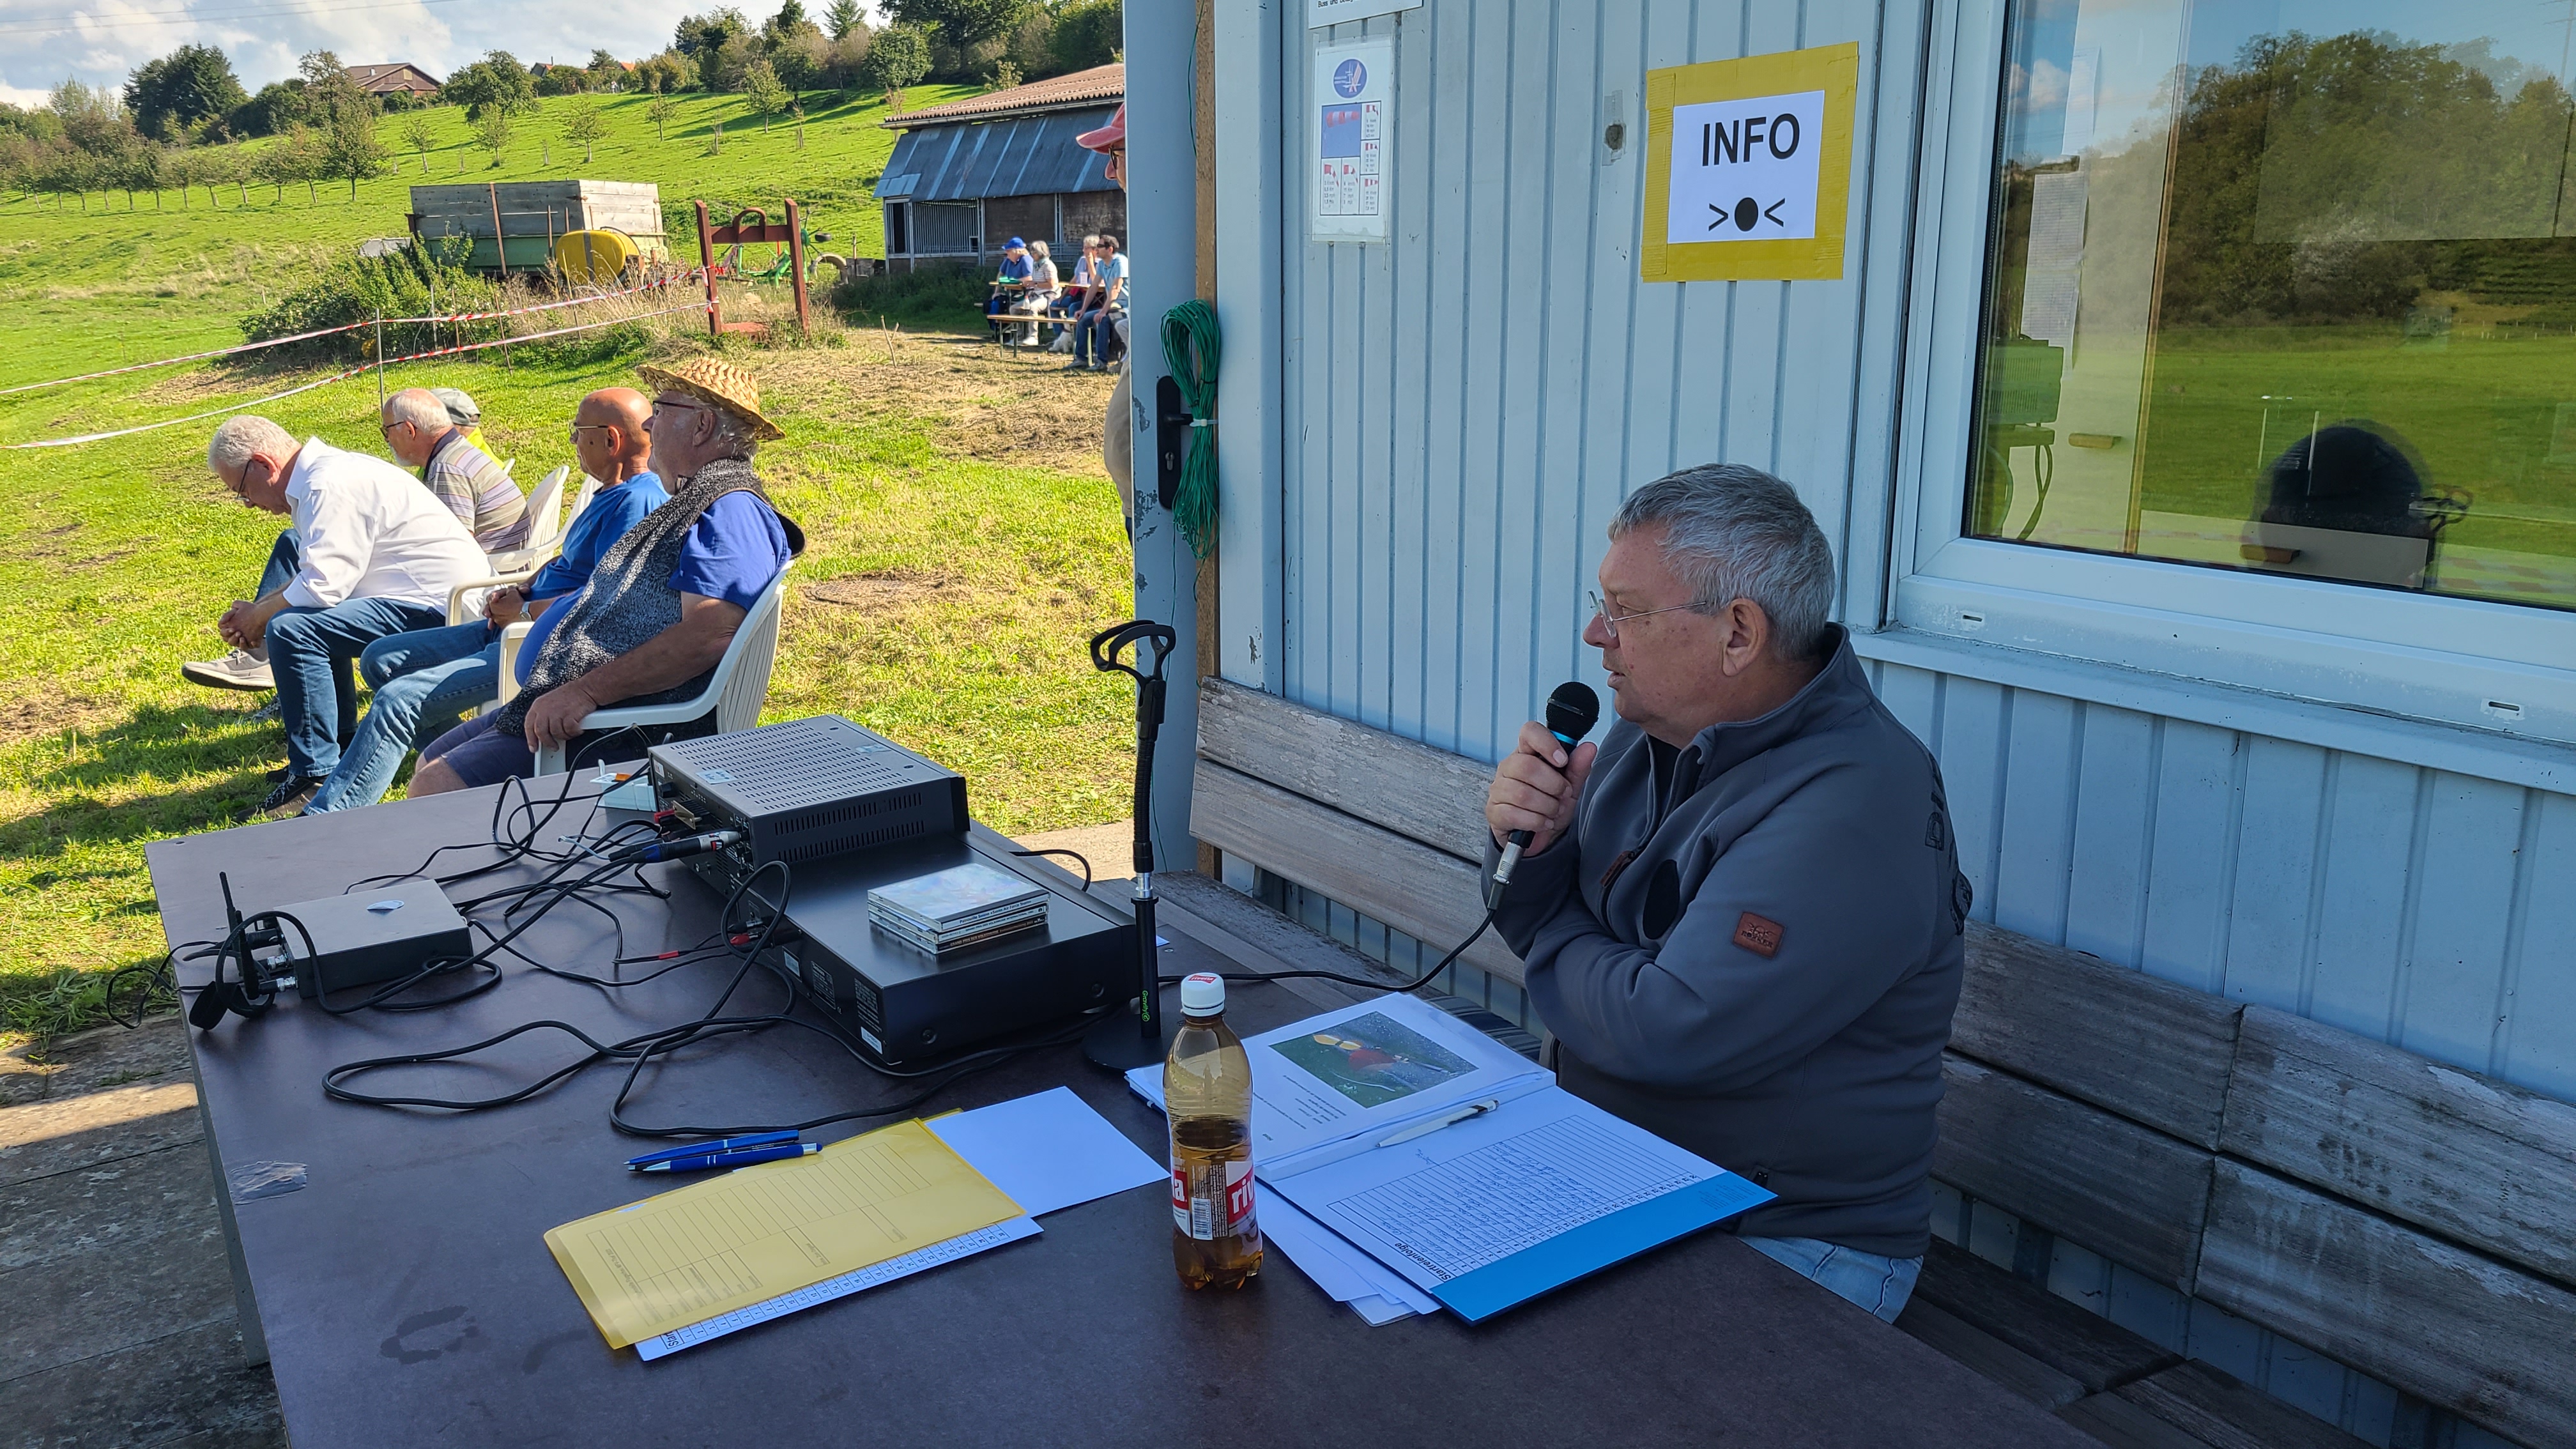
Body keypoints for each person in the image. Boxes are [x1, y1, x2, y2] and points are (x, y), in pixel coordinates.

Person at [1481, 464, 1968, 1324]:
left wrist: (1554, 928)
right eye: (1601, 605)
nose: (1597, 635)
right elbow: (1536, 919)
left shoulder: (1855, 801)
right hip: (1621, 1169)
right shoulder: (1648, 730)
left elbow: (1670, 1029)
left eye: (1626, 611)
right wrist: (1530, 844)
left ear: (1738, 633)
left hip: (1781, 1233)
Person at [408, 358, 804, 794]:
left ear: (702, 426)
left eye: (662, 409)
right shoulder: (704, 499)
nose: (649, 423)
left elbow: (710, 633)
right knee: (431, 761)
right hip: (590, 707)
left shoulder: (732, 508)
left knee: (436, 785)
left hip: (628, 725)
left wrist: (585, 693)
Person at [303, 388, 670, 813]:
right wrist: (525, 587)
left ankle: (326, 817)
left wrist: (525, 611)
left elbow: (602, 602)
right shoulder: (611, 492)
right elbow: (573, 562)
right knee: (380, 659)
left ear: (610, 439)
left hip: (535, 642)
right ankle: (456, 767)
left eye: (577, 432)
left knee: (396, 700)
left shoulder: (636, 502)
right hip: (513, 622)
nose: (573, 441)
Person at [199, 415, 489, 816]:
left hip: (445, 609)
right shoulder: (323, 476)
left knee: (293, 630)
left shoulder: (326, 484)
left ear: (264, 465)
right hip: (432, 599)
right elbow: (318, 574)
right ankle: (338, 744)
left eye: (242, 490)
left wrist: (260, 618)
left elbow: (322, 587)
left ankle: (315, 773)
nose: (247, 503)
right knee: (300, 621)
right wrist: (256, 612)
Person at [380, 387, 530, 554]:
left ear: (410, 430)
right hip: (505, 558)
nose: (387, 439)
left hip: (492, 567)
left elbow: (455, 550)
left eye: (387, 431)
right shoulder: (458, 449)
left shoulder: (447, 469)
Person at [1068, 231, 1128, 373]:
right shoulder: (1102, 264)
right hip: (1112, 306)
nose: (1096, 249)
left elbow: (1115, 289)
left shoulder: (1120, 262)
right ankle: (1081, 359)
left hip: (1126, 307)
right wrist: (1083, 310)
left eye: (1099, 247)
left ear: (1110, 249)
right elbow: (1094, 287)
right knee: (1083, 319)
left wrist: (1102, 312)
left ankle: (1101, 362)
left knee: (1102, 320)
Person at [1009, 240, 1061, 347]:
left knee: (1033, 308)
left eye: (1035, 252)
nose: (1032, 254)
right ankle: (1018, 336)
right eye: (1032, 251)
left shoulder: (1048, 265)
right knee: (1014, 309)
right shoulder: (1036, 265)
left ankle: (1033, 336)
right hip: (1036, 294)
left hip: (1049, 296)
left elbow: (1051, 284)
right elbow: (1035, 282)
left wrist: (1035, 284)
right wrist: (1029, 284)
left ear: (1041, 253)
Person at [988, 237, 1034, 332]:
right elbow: (1001, 274)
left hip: (1024, 294)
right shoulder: (1009, 259)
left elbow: (1029, 278)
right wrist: (996, 292)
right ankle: (1000, 331)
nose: (1007, 253)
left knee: (1012, 307)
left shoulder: (1026, 260)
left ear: (1017, 251)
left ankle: (1020, 334)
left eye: (1009, 251)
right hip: (1010, 292)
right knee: (994, 303)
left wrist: (1013, 281)